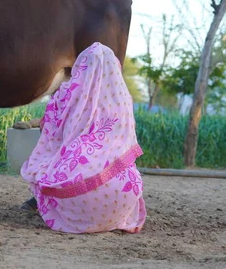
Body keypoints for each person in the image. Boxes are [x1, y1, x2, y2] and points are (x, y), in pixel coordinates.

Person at [20, 42, 146, 234]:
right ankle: (113, 219)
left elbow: (51, 131)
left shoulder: (67, 95)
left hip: (80, 199)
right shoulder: (123, 99)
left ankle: (46, 205)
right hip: (124, 196)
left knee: (50, 166)